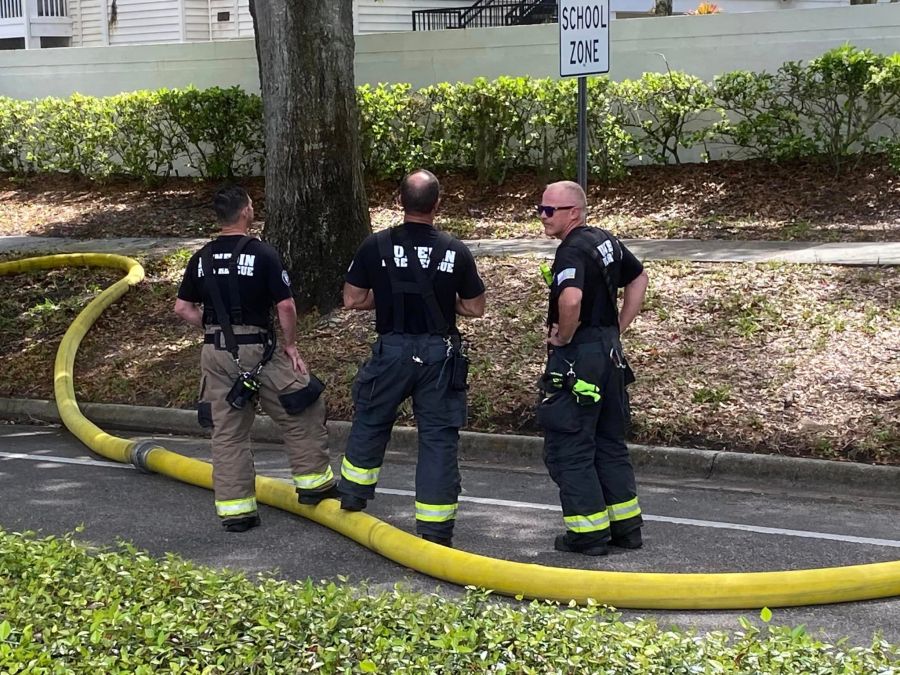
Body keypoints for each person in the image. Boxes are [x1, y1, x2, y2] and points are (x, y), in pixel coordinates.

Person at [174, 185, 336, 533]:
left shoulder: (200, 258)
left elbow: (183, 307)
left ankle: (237, 512)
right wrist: (291, 346)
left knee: (227, 432)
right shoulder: (263, 254)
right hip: (260, 350)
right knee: (302, 406)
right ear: (246, 211)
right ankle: (315, 487)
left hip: (215, 352)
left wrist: (219, 330)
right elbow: (286, 306)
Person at [339, 169, 486, 548]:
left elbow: (352, 299)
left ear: (398, 202)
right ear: (437, 204)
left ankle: (353, 495)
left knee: (372, 417)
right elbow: (475, 307)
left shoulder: (375, 246)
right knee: (438, 438)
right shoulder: (455, 249)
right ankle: (436, 529)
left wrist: (385, 298)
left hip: (392, 350)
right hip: (439, 355)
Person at [536, 180, 649, 556]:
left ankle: (588, 535)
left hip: (579, 358)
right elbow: (638, 276)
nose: (542, 216)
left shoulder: (571, 251)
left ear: (573, 212)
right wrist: (618, 327)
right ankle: (625, 528)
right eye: (541, 209)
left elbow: (570, 300)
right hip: (609, 355)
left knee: (571, 446)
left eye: (549, 210)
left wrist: (564, 337)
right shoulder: (606, 241)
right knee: (609, 442)